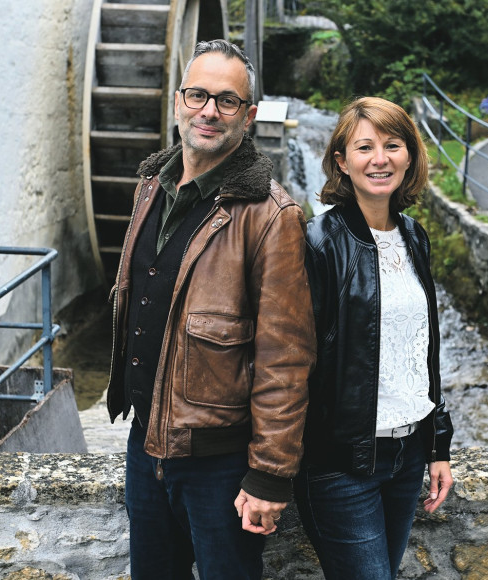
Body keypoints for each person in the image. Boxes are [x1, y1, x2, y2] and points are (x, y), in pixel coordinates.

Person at [104, 39, 315, 580]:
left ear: (248, 115)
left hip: (222, 464)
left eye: (226, 100)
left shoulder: (271, 216)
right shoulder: (150, 186)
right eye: (197, 95)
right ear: (178, 101)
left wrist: (269, 476)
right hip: (146, 444)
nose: (208, 111)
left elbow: (285, 359)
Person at [295, 96, 455, 580]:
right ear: (342, 161)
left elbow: (421, 350)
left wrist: (438, 445)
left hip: (407, 461)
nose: (380, 158)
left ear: (410, 156)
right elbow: (290, 361)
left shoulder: (414, 236)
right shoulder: (317, 242)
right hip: (341, 463)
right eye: (365, 147)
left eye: (393, 144)